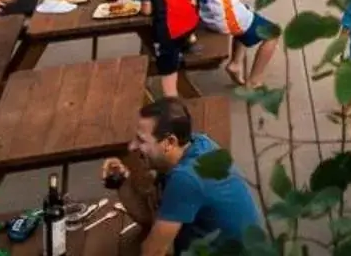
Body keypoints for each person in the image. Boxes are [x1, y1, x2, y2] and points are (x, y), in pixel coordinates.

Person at [102, 99, 262, 256]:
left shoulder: (186, 178)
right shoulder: (195, 143)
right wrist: (122, 182)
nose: (132, 147)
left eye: (141, 140)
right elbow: (148, 219)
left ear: (170, 142)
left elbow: (154, 251)